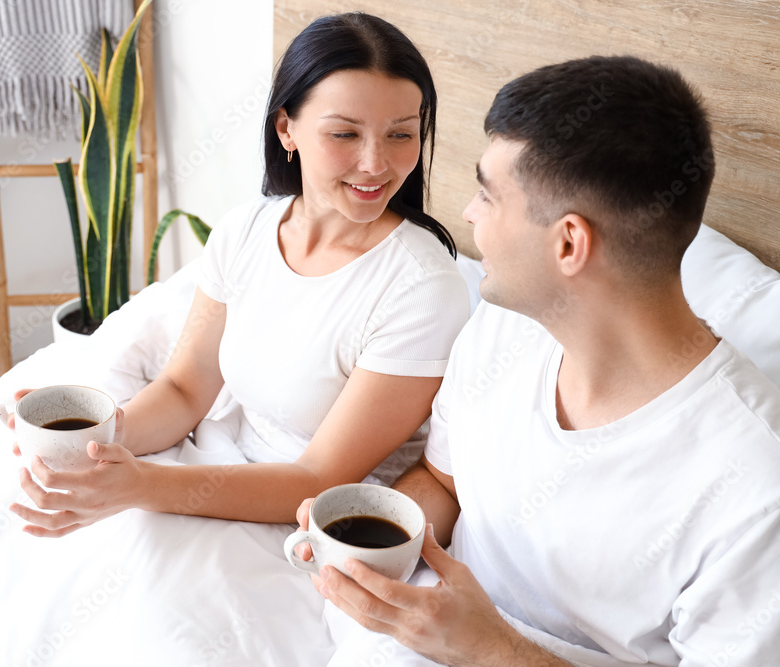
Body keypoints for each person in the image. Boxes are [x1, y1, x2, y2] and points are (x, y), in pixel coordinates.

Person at [297, 55, 780, 666]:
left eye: (487, 195)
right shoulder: (501, 328)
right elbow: (446, 482)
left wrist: (487, 648)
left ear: (570, 243)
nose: (468, 214)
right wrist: (372, 533)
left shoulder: (755, 490)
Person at [8, 12, 470, 535]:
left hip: (320, 523)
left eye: (401, 134)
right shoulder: (246, 229)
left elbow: (317, 479)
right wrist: (95, 437)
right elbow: (185, 389)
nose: (375, 164)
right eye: (345, 133)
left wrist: (139, 487)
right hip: (219, 465)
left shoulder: (423, 289)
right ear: (285, 128)